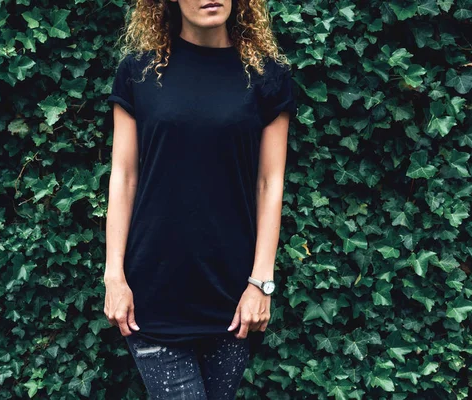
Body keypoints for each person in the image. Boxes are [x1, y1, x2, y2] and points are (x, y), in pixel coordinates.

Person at [103, 0, 297, 398]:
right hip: (152, 295)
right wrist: (114, 276)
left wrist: (261, 282)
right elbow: (123, 177)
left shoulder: (266, 76)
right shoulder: (139, 72)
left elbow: (269, 181)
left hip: (233, 298)